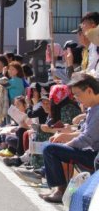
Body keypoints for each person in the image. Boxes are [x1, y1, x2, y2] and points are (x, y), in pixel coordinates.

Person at [40, 73, 99, 203]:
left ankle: (60, 190)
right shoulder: (92, 109)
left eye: (77, 94)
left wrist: (66, 145)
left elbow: (86, 139)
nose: (76, 99)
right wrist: (64, 136)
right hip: (90, 151)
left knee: (50, 150)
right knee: (50, 147)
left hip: (94, 156)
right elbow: (83, 132)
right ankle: (58, 189)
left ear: (89, 90)